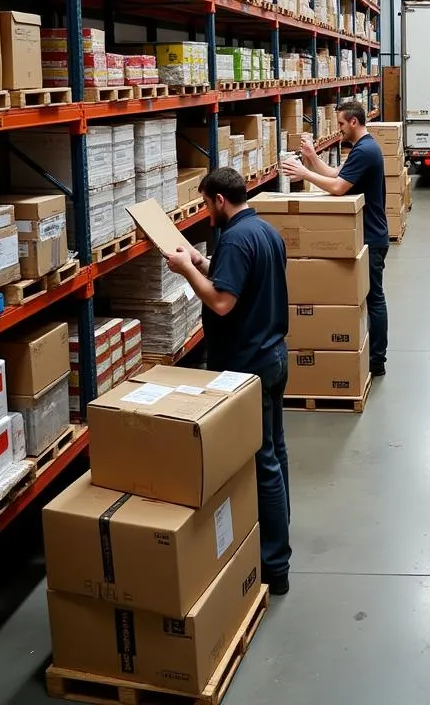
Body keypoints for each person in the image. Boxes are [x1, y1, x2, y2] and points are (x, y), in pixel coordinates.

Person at [164, 167, 292, 597]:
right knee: (275, 450)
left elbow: (221, 302)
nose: (205, 211)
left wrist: (185, 270)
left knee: (262, 462)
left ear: (220, 200)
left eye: (205, 203)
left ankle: (275, 565)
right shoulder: (264, 231)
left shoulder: (235, 238)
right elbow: (239, 278)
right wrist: (203, 263)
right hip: (274, 355)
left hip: (248, 362)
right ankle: (280, 534)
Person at [281, 100, 390, 376]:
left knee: (374, 298)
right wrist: (313, 158)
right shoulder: (363, 148)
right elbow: (339, 175)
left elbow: (339, 188)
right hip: (367, 233)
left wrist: (305, 173)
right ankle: (368, 352)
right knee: (367, 297)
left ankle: (377, 360)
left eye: (341, 124)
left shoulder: (365, 150)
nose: (339, 129)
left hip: (372, 236)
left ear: (353, 122)